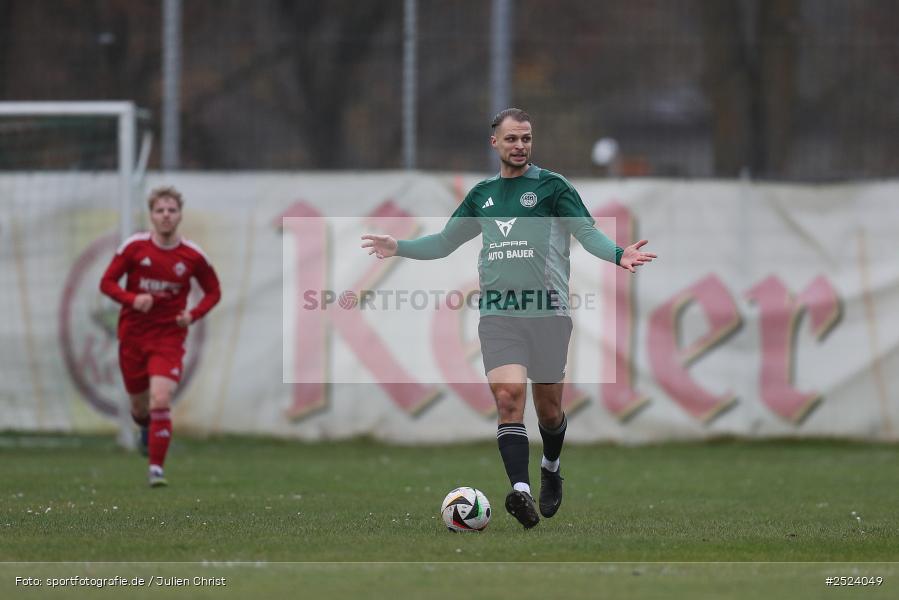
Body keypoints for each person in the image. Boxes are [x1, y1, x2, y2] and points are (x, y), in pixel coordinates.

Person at [362, 108, 655, 528]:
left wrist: (618, 253)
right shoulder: (482, 195)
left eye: (526, 139)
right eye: (512, 139)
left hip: (548, 312)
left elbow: (586, 232)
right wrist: (399, 246)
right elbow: (445, 242)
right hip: (499, 314)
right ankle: (520, 493)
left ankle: (551, 469)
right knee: (508, 398)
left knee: (550, 411)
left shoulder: (553, 187)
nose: (520, 146)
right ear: (494, 142)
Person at [100, 186, 221, 487]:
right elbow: (107, 282)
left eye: (171, 210)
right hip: (134, 336)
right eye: (160, 210)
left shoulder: (192, 256)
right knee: (140, 409)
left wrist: (192, 315)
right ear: (152, 215)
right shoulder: (134, 248)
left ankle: (156, 470)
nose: (166, 215)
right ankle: (145, 429)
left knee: (161, 397)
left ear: (180, 215)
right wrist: (132, 299)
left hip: (168, 338)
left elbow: (214, 291)